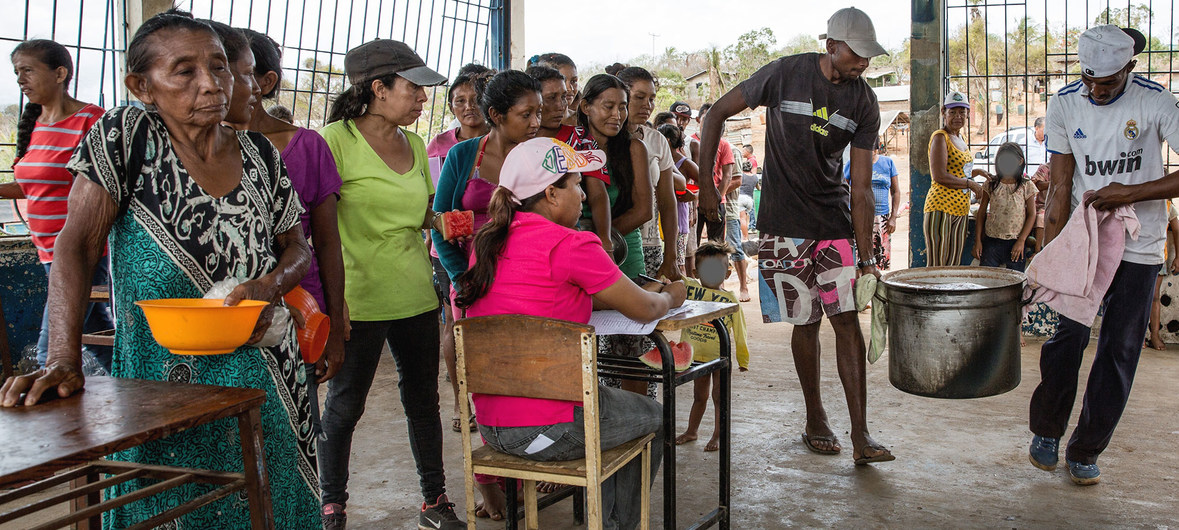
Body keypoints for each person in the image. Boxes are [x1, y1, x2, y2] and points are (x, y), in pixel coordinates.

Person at [1, 11, 320, 527]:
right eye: (185, 71)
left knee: (272, 499)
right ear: (141, 86)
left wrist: (269, 285)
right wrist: (63, 357)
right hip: (162, 382)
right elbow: (76, 246)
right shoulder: (127, 136)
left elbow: (298, 249)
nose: (211, 84)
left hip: (267, 369)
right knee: (177, 503)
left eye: (219, 67)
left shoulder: (261, 153)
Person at [454, 136, 686, 530]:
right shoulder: (571, 243)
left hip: (494, 428)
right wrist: (671, 295)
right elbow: (646, 309)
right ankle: (616, 525)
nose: (583, 193)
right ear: (550, 194)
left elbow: (543, 296)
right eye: (576, 184)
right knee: (653, 416)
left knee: (614, 411)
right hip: (551, 429)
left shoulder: (486, 244)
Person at [695, 7, 895, 465]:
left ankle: (862, 434)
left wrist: (867, 258)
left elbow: (861, 188)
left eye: (868, 57)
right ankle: (815, 418)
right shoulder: (786, 73)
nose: (863, 64)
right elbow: (716, 116)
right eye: (857, 55)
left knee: (847, 321)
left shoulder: (864, 101)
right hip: (783, 225)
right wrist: (706, 184)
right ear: (832, 47)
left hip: (833, 222)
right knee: (806, 324)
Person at [316, 39, 465, 528]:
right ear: (378, 89)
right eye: (414, 88)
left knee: (423, 402)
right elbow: (313, 222)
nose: (423, 99)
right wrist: (328, 305)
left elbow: (420, 210)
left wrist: (443, 220)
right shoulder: (332, 141)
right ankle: (332, 504)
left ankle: (435, 501)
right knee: (344, 406)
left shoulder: (416, 145)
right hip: (356, 299)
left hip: (415, 295)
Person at [1029, 25, 1179, 486]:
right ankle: (1047, 431)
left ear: (1129, 69)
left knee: (1119, 350)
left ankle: (1086, 448)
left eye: (1107, 83)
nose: (1095, 91)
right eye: (1089, 79)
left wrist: (1128, 192)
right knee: (1065, 338)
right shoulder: (1065, 102)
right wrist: (1047, 257)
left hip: (1140, 246)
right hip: (1085, 241)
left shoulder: (1156, 101)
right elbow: (1059, 187)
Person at [234, 28, 347, 429]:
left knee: (294, 418)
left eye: (223, 71)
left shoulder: (306, 146)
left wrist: (335, 320)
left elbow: (327, 242)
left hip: (299, 306)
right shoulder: (200, 148)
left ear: (262, 82)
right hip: (227, 309)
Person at [432, 69, 541, 458]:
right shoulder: (464, 155)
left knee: (530, 374)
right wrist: (462, 279)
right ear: (496, 114)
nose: (535, 123)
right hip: (475, 284)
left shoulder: (542, 156)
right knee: (484, 375)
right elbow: (441, 221)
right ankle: (491, 476)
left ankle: (536, 456)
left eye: (538, 114)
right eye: (525, 114)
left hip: (530, 282)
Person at [2, 39, 113, 372]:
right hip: (46, 251)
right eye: (16, 73)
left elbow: (109, 184)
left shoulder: (90, 120)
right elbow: (31, 184)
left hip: (83, 251)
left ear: (60, 73)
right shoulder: (35, 126)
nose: (21, 80)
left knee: (48, 355)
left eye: (28, 71)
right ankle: (144, 388)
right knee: (94, 335)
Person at [572, 73, 652, 279]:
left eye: (623, 107)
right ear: (585, 107)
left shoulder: (634, 148)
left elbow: (643, 211)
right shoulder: (570, 147)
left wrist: (600, 240)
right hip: (580, 249)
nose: (617, 115)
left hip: (622, 249)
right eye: (609, 107)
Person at [674, 241, 750, 452]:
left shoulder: (730, 299)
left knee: (719, 397)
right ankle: (692, 431)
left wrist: (743, 359)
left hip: (720, 358)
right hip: (695, 358)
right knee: (699, 396)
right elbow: (671, 276)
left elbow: (740, 331)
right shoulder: (690, 289)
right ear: (696, 272)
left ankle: (718, 434)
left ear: (727, 273)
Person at [614, 65, 680, 280]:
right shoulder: (603, 139)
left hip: (649, 244)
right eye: (639, 97)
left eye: (651, 99)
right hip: (611, 240)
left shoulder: (657, 140)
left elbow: (667, 201)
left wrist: (671, 254)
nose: (647, 105)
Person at [926, 90, 989, 266]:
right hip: (941, 207)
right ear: (943, 112)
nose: (958, 116)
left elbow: (959, 170)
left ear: (968, 114)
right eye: (952, 112)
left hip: (960, 209)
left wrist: (978, 172)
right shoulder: (941, 137)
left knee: (952, 265)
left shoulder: (960, 137)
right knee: (938, 266)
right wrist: (971, 184)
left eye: (962, 112)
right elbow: (939, 175)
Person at [972, 143, 1037, 271]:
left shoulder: (1026, 185)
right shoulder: (991, 184)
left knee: (1014, 281)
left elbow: (1032, 214)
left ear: (1020, 161)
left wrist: (1022, 240)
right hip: (991, 241)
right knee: (988, 279)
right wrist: (978, 241)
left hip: (1016, 242)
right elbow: (981, 213)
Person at [842, 139, 900, 269]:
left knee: (880, 259)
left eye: (870, 152)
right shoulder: (853, 163)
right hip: (858, 217)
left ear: (876, 149)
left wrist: (893, 217)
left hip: (882, 218)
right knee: (858, 259)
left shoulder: (888, 163)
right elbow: (844, 189)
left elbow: (896, 192)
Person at [426, 65, 493, 164]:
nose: (469, 106)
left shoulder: (500, 138)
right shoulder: (439, 143)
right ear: (451, 108)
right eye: (461, 101)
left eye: (476, 100)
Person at [659, 123, 699, 276]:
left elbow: (704, 182)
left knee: (678, 262)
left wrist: (693, 196)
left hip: (679, 217)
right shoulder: (662, 159)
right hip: (663, 217)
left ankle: (682, 293)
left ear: (667, 141)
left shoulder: (685, 163)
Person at [691, 103, 734, 244]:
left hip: (717, 201)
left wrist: (716, 200)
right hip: (693, 201)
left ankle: (714, 267)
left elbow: (727, 175)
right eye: (706, 118)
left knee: (715, 245)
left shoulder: (724, 144)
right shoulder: (689, 141)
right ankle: (693, 266)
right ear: (698, 120)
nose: (710, 123)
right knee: (691, 244)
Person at [1147, 201, 1179, 350]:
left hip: (1158, 257)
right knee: (1137, 299)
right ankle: (1136, 336)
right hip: (1137, 258)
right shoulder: (1141, 200)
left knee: (1154, 298)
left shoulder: (1168, 206)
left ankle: (1154, 335)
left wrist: (1178, 257)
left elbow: (1177, 230)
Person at [527, 64, 575, 142]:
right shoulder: (515, 142)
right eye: (551, 98)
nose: (561, 106)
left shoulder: (580, 140)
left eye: (563, 97)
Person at [529, 53, 579, 125]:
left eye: (573, 81)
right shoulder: (531, 128)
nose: (569, 88)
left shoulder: (583, 121)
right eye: (563, 81)